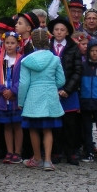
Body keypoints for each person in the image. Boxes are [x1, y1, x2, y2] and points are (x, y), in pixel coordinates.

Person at [18, 27, 65, 171]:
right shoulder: (55, 58)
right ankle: (48, 161)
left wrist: (21, 101)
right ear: (48, 40)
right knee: (47, 129)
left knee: (33, 129)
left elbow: (24, 83)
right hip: (49, 96)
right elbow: (61, 80)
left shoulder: (27, 60)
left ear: (32, 42)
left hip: (33, 96)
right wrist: (52, 85)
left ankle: (37, 158)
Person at [49, 17, 83, 164]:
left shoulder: (73, 47)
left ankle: (71, 152)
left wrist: (67, 89)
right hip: (51, 91)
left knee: (70, 124)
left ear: (67, 31)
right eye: (56, 29)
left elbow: (77, 70)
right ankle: (56, 151)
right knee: (55, 123)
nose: (59, 32)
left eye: (62, 29)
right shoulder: (48, 46)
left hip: (69, 91)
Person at [0, 31, 23, 164]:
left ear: (18, 44)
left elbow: (23, 77)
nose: (9, 45)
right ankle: (9, 151)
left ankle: (18, 152)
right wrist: (2, 89)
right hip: (2, 98)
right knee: (7, 126)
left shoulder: (22, 59)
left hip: (16, 98)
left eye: (12, 43)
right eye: (7, 43)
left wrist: (13, 90)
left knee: (17, 125)